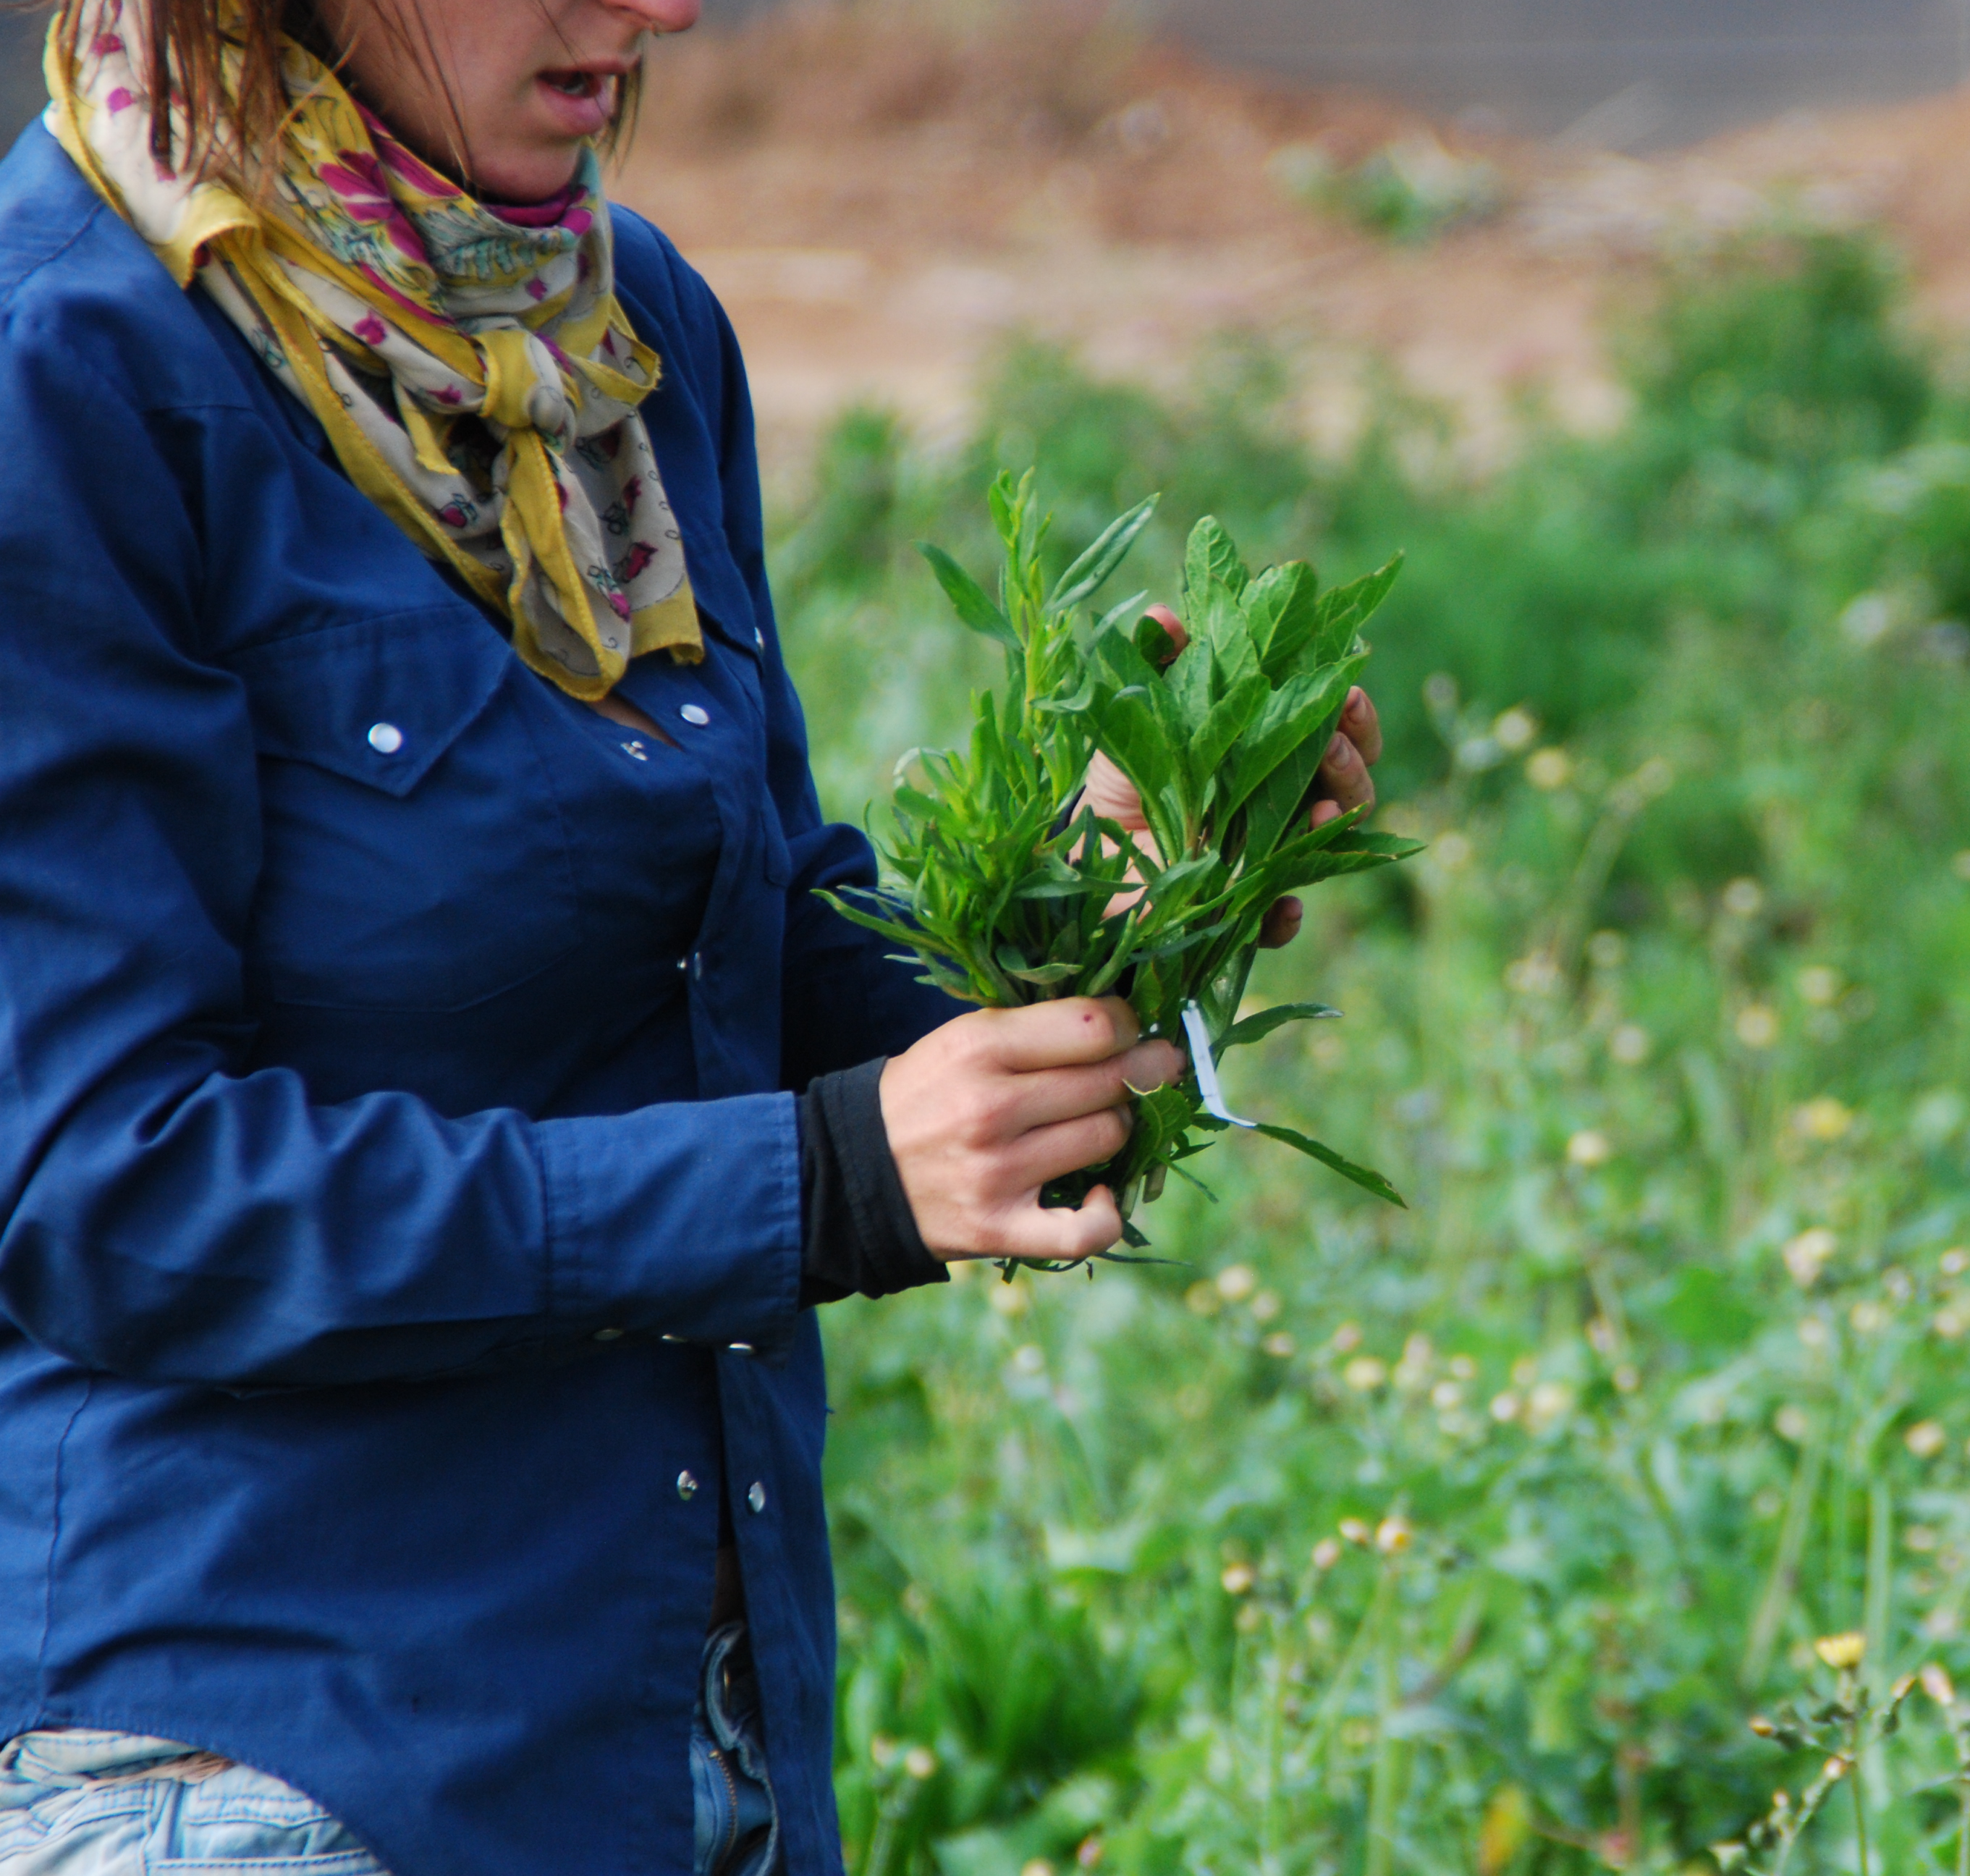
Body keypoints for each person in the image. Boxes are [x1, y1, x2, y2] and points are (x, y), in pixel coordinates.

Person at [0, 1, 1383, 1871]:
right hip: (266, 1760)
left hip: (677, 1743)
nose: (660, 7)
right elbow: (104, 1191)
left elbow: (741, 954)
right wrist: (823, 1186)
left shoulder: (616, 329)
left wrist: (1104, 925)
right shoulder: (67, 367)